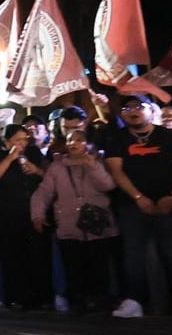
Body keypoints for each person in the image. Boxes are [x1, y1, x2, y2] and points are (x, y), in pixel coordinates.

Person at [101, 95, 172, 320]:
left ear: (150, 111)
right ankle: (134, 300)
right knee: (133, 254)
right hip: (132, 205)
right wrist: (138, 197)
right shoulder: (116, 139)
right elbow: (117, 171)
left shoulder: (169, 136)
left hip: (169, 204)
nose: (133, 111)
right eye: (127, 107)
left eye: (139, 106)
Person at [31, 129, 121, 311]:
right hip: (68, 224)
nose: (74, 143)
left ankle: (101, 299)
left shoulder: (99, 161)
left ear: (88, 143)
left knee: (99, 265)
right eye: (71, 140)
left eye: (79, 140)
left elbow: (108, 185)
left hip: (98, 226)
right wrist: (38, 215)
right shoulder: (57, 167)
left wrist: (92, 166)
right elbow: (44, 192)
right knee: (73, 266)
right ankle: (78, 300)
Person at [0, 122, 51, 309]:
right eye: (17, 140)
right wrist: (9, 159)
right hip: (7, 214)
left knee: (37, 256)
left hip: (33, 213)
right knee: (12, 256)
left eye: (24, 139)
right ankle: (16, 297)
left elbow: (50, 177)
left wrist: (35, 170)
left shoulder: (34, 153)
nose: (22, 144)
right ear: (6, 141)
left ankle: (41, 297)